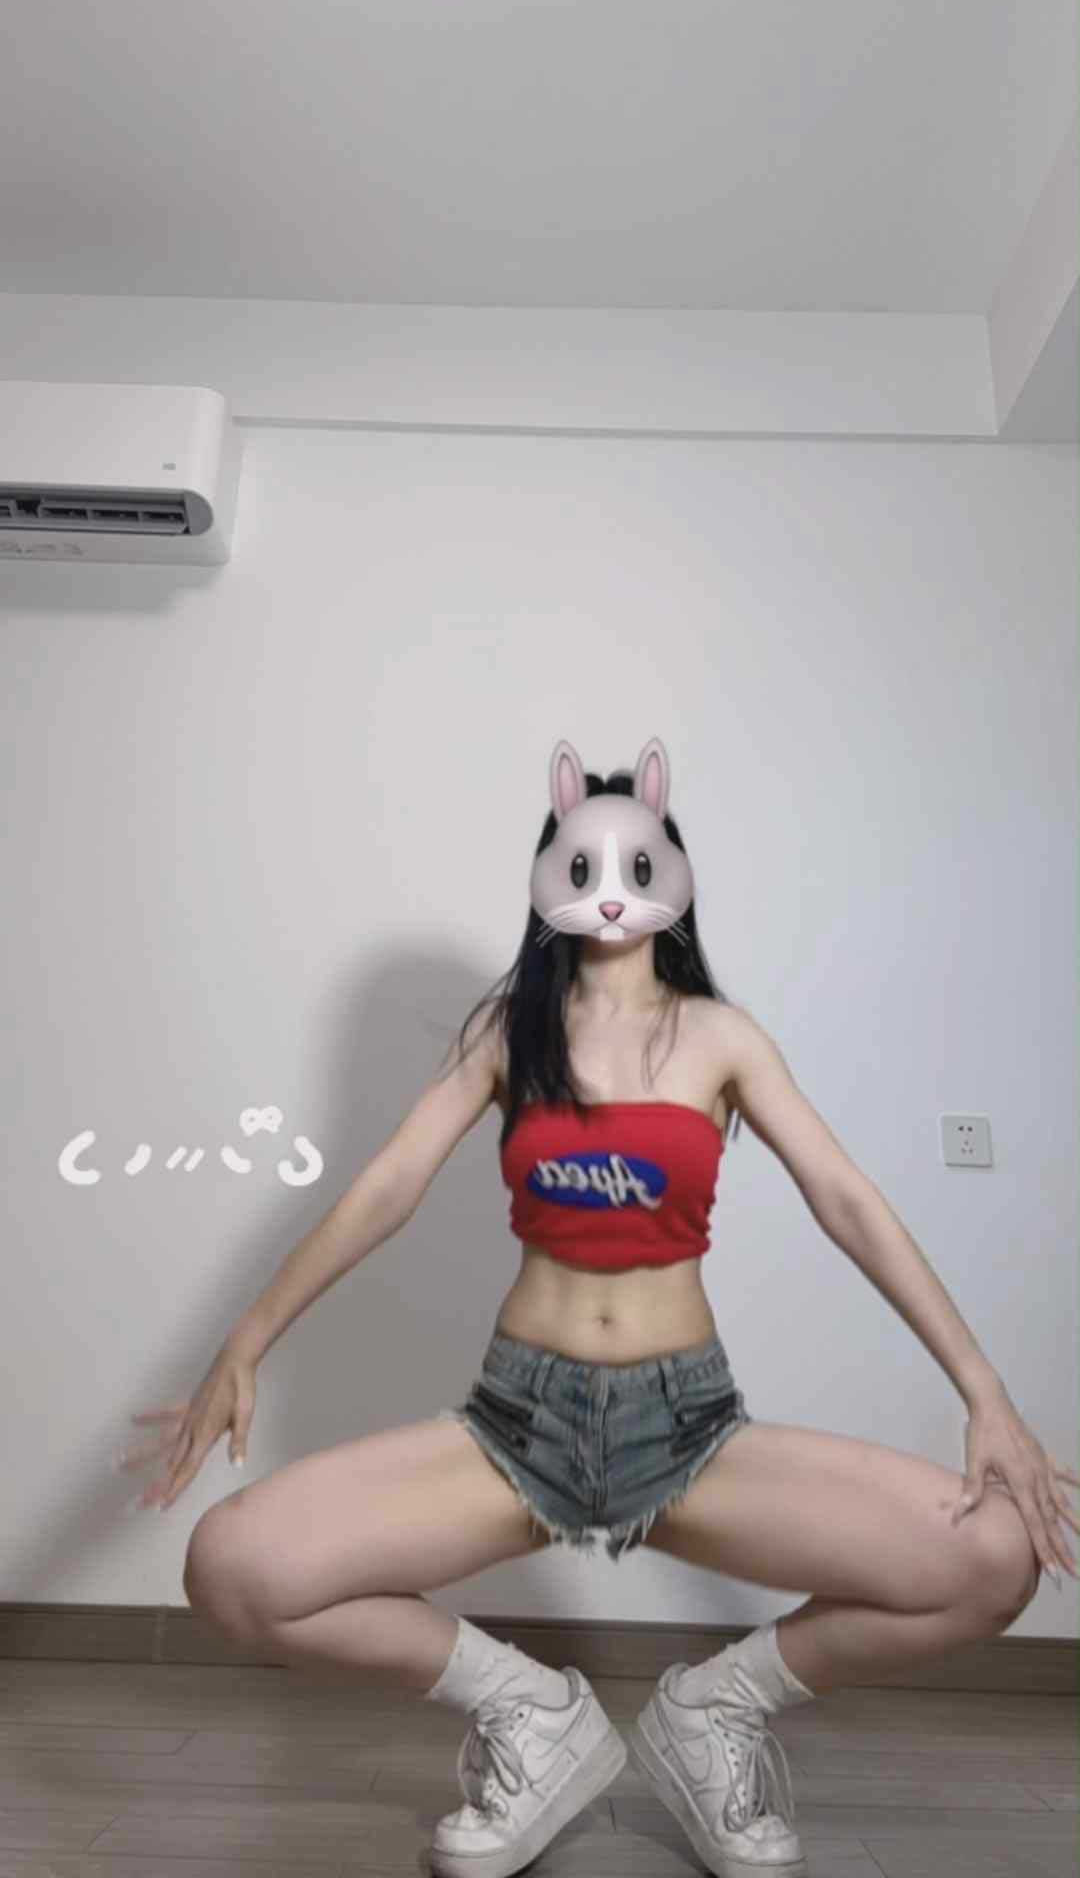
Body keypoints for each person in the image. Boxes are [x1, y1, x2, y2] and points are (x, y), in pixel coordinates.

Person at [120, 735, 1077, 1878]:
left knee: (997, 1562)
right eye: (585, 865)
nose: (612, 890)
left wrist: (985, 1393)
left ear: (672, 871)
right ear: (551, 875)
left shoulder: (721, 1038)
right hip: (518, 1427)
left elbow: (847, 1201)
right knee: (230, 1567)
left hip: (688, 1431)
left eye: (637, 862)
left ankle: (713, 1710)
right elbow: (385, 1190)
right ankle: (531, 1714)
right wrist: (244, 1341)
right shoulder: (505, 1035)